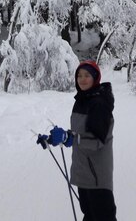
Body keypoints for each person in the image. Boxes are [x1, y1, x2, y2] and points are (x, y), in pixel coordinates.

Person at [37, 59, 117, 221]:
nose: (82, 79)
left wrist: (69, 138)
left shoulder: (99, 104)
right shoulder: (82, 100)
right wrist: (55, 139)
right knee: (89, 215)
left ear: (96, 77)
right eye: (79, 75)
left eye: (87, 75)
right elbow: (79, 134)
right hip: (83, 173)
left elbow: (97, 141)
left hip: (97, 177)